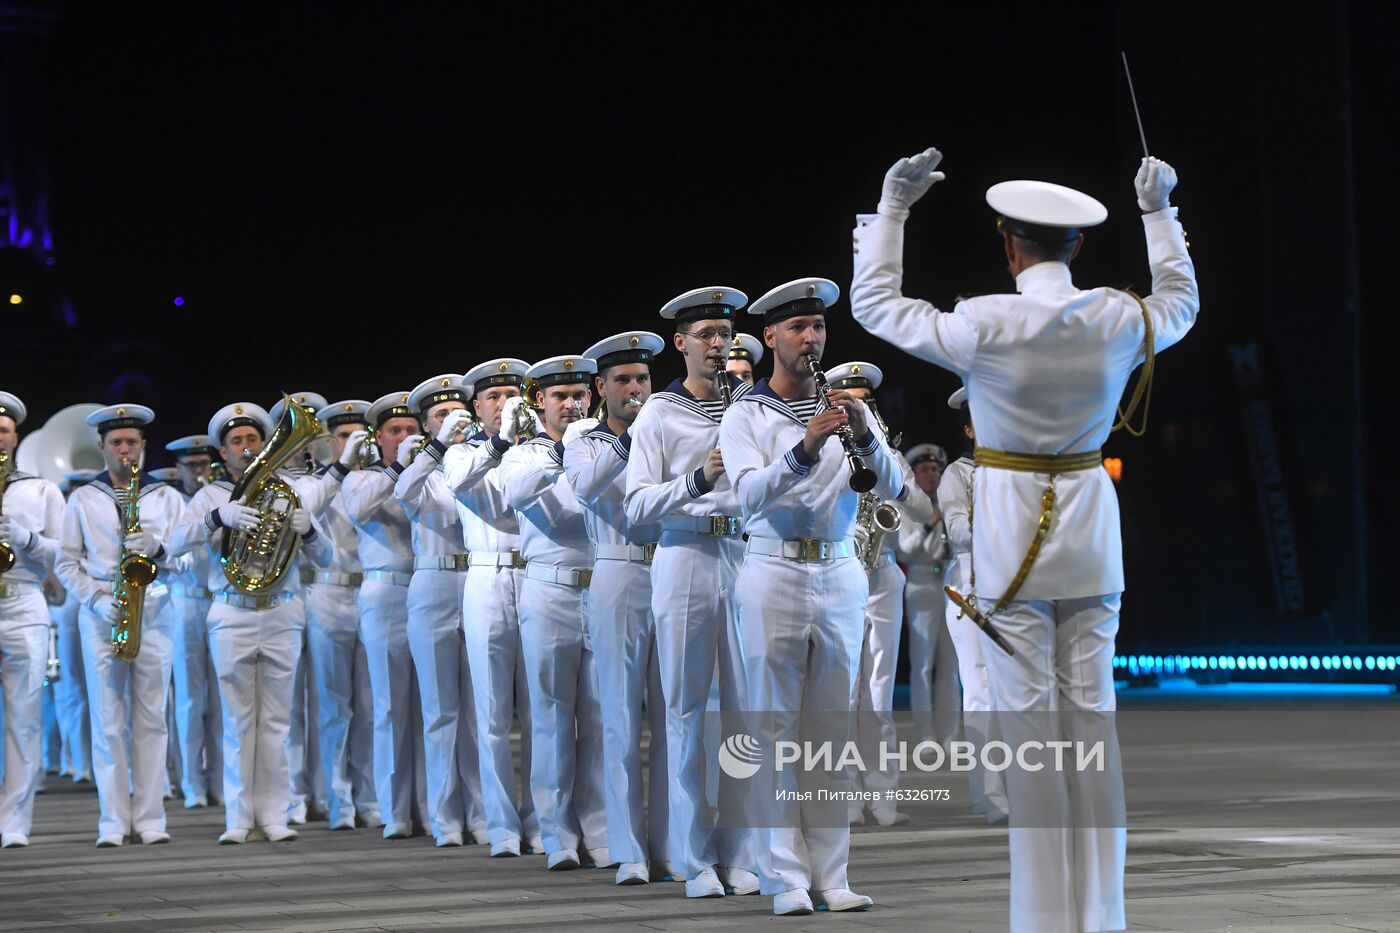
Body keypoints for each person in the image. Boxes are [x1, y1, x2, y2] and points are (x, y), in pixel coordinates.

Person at [851, 146, 1197, 932]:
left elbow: (876, 305)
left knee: (1034, 743)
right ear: (1076, 245)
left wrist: (893, 207)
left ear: (1009, 245)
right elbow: (1181, 301)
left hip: (1009, 546)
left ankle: (1044, 921)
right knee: (1094, 732)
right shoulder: (1115, 314)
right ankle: (1100, 918)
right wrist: (1159, 212)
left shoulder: (984, 321)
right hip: (1088, 537)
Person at [719, 278, 902, 916]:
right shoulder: (746, 412)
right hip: (771, 568)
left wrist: (864, 431)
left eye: (818, 328)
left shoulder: (847, 403)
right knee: (771, 727)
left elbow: (895, 486)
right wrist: (806, 448)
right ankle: (785, 878)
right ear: (770, 336)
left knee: (830, 729)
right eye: (798, 329)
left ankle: (833, 875)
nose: (812, 339)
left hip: (841, 570)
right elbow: (744, 495)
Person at [623, 286, 759, 899]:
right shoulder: (658, 412)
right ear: (680, 344)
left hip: (745, 553)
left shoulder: (749, 406)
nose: (716, 344)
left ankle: (745, 851)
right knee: (685, 708)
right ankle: (693, 856)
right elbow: (636, 506)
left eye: (722, 333)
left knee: (744, 710)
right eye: (703, 334)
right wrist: (697, 479)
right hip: (684, 553)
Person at [164, 401, 330, 843]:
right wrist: (217, 518)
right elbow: (173, 543)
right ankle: (238, 818)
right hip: (231, 609)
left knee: (277, 721)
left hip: (281, 610)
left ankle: (275, 814)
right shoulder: (211, 495)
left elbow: (327, 557)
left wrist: (309, 530)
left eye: (253, 439)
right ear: (222, 452)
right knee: (238, 720)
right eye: (236, 442)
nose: (245, 447)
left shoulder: (287, 491)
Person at [565, 331, 669, 885]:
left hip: (673, 565)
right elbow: (583, 488)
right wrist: (630, 437)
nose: (636, 389)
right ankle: (628, 849)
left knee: (675, 713)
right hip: (618, 567)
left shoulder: (668, 423)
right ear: (600, 387)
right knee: (620, 716)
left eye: (643, 379)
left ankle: (674, 845)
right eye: (624, 381)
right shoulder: (585, 437)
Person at [498, 355, 609, 871]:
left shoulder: (604, 447)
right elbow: (516, 493)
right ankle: (556, 834)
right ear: (540, 401)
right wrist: (566, 448)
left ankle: (602, 830)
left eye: (579, 395)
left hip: (601, 589)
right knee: (550, 720)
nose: (572, 404)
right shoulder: (524, 455)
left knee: (603, 718)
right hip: (548, 592)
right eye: (560, 396)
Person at [56, 403, 185, 847]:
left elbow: (186, 560)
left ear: (143, 446)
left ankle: (151, 818)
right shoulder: (82, 498)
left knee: (152, 719)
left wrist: (160, 550)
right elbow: (67, 563)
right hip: (101, 614)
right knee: (107, 719)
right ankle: (112, 820)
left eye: (132, 442)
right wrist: (94, 599)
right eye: (116, 443)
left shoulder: (166, 497)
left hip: (155, 611)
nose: (125, 450)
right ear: (102, 447)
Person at [823, 362, 935, 827]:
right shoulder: (825, 449)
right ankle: (846, 794)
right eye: (851, 400)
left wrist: (894, 480)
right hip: (841, 572)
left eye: (866, 400)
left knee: (879, 692)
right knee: (843, 692)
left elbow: (924, 512)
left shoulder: (888, 452)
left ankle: (882, 794)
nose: (860, 407)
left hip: (884, 575)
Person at [441, 358, 541, 858]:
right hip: (486, 575)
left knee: (541, 709)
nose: (505, 407)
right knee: (492, 712)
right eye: (494, 399)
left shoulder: (540, 448)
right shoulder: (462, 452)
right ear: (477, 407)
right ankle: (502, 824)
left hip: (539, 574)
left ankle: (543, 820)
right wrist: (501, 442)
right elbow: (459, 485)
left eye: (511, 397)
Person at [393, 374, 487, 847]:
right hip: (431, 582)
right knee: (439, 708)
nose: (453, 422)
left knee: (477, 709)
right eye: (440, 417)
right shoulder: (421, 466)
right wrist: (433, 448)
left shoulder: (478, 459)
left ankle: (482, 813)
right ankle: (445, 817)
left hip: (474, 578)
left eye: (458, 414)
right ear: (427, 425)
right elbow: (403, 494)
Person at [341, 392, 428, 838]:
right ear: (379, 437)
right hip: (386, 591)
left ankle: (431, 808)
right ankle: (395, 810)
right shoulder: (362, 478)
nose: (405, 436)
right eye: (395, 431)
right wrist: (399, 468)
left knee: (431, 705)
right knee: (390, 705)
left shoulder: (431, 470)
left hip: (427, 585)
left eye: (411, 429)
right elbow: (357, 510)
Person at [297, 399, 379, 831]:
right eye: (343, 437)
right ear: (329, 442)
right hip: (326, 592)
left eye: (357, 436)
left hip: (370, 590)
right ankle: (337, 799)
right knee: (332, 706)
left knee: (369, 706)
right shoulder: (316, 483)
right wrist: (341, 468)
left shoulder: (375, 478)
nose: (352, 444)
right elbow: (305, 508)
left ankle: (368, 796)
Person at [935, 387, 1008, 823]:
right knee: (980, 694)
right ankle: (989, 795)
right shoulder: (957, 475)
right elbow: (958, 532)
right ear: (968, 429)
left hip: (1016, 593)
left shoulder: (1019, 471)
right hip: (970, 592)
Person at [0, 391, 64, 848]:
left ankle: (14, 823)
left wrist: (26, 539)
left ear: (14, 436)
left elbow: (63, 555)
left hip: (23, 602)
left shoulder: (40, 489)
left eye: (2, 430)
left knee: (24, 720)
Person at [269, 391, 330, 827]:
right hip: (286, 597)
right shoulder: (265, 482)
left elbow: (329, 552)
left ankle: (327, 794)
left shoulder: (331, 478)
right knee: (287, 706)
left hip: (326, 594)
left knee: (327, 703)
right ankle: (292, 797)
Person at [163, 433, 224, 809]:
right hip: (184, 602)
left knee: (219, 699)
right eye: (192, 466)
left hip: (217, 600)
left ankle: (217, 779)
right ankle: (191, 782)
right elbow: (171, 552)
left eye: (204, 464)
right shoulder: (176, 506)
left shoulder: (218, 497)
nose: (199, 472)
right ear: (179, 469)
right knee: (187, 699)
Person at [895, 441, 961, 746]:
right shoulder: (910, 507)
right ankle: (925, 733)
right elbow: (905, 552)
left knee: (951, 663)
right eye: (925, 469)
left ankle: (949, 733)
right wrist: (928, 525)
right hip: (921, 584)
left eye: (936, 469)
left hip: (950, 584)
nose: (933, 475)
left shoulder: (950, 502)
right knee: (921, 663)